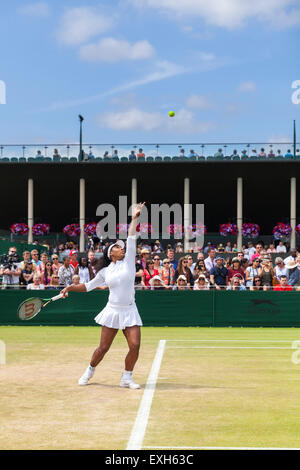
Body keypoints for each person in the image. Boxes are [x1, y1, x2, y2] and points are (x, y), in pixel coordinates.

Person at [61, 202, 146, 389]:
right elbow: (88, 286)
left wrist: (134, 218)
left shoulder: (129, 262)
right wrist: (69, 288)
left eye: (121, 246)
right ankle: (89, 371)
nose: (122, 248)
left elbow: (131, 237)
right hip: (113, 310)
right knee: (103, 348)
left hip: (130, 310)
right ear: (111, 253)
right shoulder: (105, 272)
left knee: (135, 345)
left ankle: (127, 377)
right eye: (117, 247)